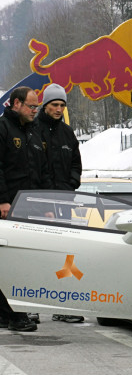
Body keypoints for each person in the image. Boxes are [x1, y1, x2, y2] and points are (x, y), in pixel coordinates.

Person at [0, 86, 53, 332]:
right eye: (31, 106)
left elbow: (41, 171)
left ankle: (9, 313)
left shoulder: (33, 133)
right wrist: (2, 200)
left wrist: (47, 205)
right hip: (7, 208)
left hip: (29, 207)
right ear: (17, 104)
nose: (35, 111)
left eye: (37, 107)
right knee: (9, 263)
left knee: (22, 261)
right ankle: (15, 315)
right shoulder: (3, 129)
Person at [37, 83, 84, 324]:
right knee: (37, 253)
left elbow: (76, 163)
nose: (58, 109)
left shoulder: (68, 132)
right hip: (37, 203)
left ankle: (64, 305)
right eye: (54, 105)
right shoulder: (33, 130)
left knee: (66, 256)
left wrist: (71, 183)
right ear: (45, 105)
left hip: (65, 201)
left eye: (62, 105)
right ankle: (30, 305)